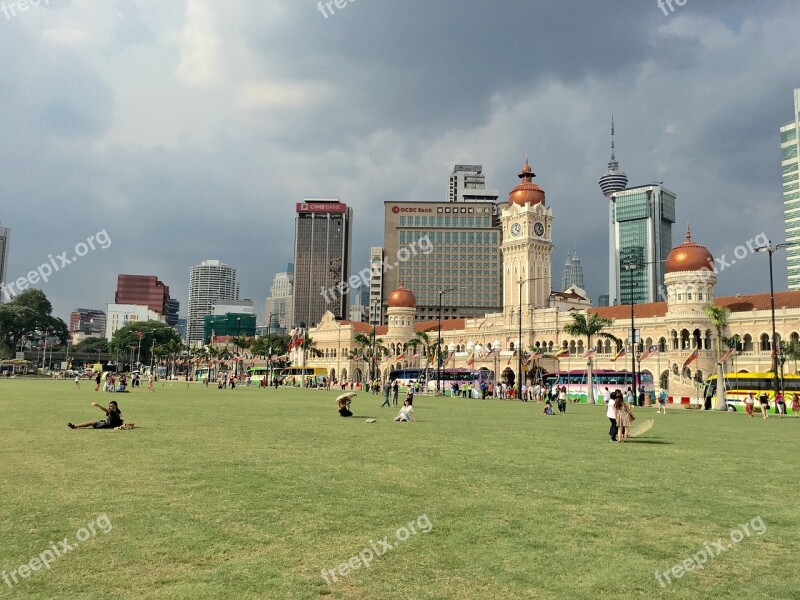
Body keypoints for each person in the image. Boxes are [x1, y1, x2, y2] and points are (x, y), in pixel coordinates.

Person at [68, 401, 133, 430]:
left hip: (107, 425)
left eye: (111, 406)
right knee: (95, 422)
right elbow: (121, 417)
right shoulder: (118, 410)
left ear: (115, 406)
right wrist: (123, 422)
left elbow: (105, 410)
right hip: (112, 424)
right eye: (109, 406)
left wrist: (98, 405)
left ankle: (75, 426)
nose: (110, 407)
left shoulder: (113, 411)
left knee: (91, 422)